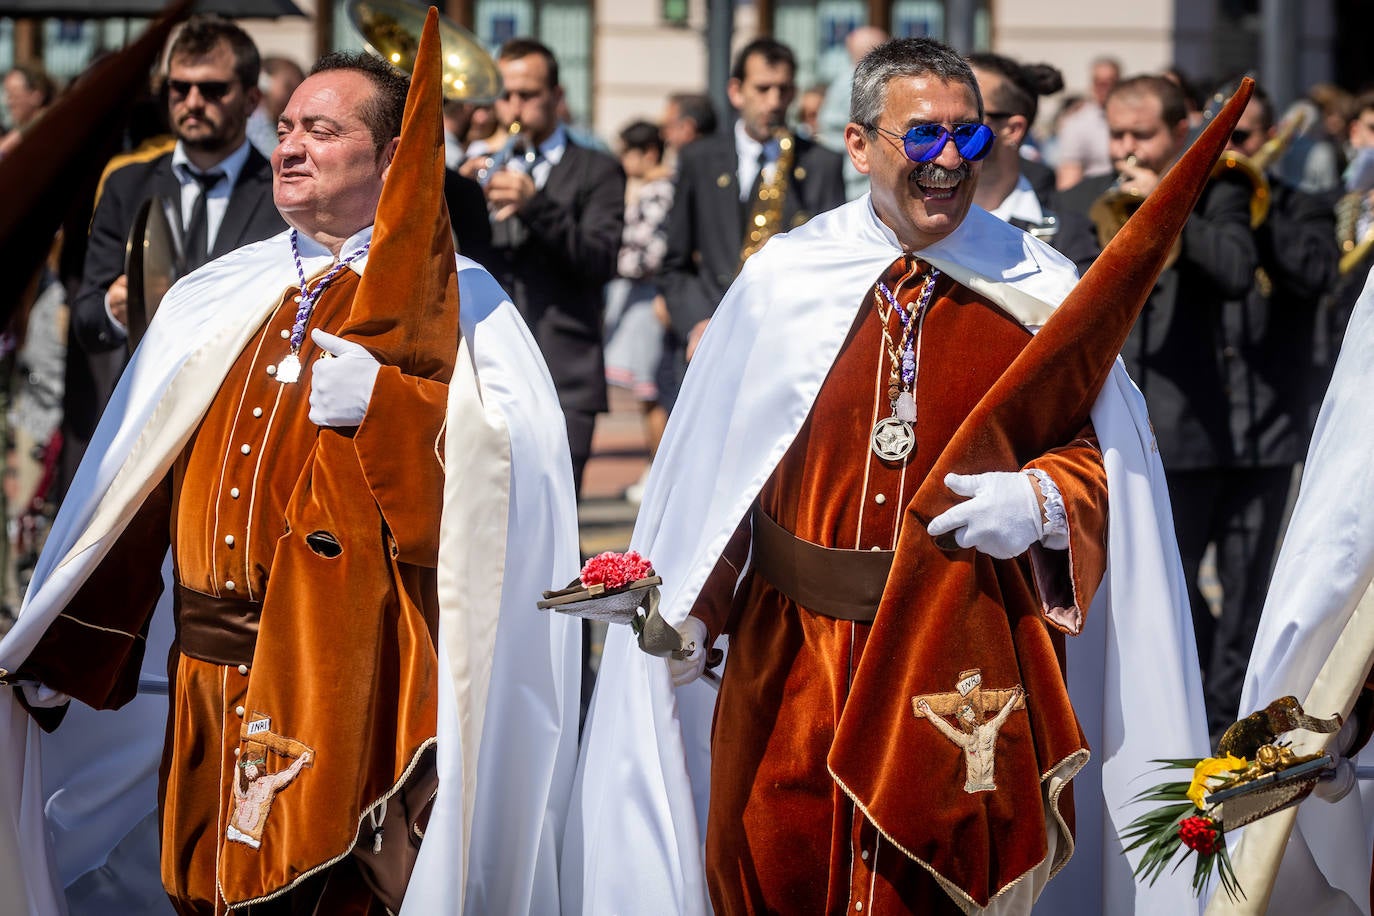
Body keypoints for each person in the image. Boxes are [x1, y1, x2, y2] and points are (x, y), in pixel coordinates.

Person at [566, 37, 1208, 916]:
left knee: (932, 883)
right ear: (860, 145)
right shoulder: (786, 279)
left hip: (959, 650)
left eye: (970, 139)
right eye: (923, 137)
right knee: (775, 864)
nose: (950, 162)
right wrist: (688, 615)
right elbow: (726, 480)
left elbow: (1112, 464)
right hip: (790, 655)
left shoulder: (1039, 286)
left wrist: (1045, 497)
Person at [0, 21, 580, 914]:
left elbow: (516, 481)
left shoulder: (458, 298)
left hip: (334, 669)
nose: (292, 145)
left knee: (318, 885)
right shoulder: (215, 292)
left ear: (392, 156)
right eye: (288, 126)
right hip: (202, 666)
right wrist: (66, 629)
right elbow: (128, 486)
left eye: (324, 130)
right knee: (201, 882)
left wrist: (392, 408)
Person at [1060, 75, 1259, 740]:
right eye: (1116, 134)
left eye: (1141, 136)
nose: (1127, 150)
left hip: (1185, 430)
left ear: (1179, 133)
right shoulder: (1085, 199)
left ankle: (1195, 719)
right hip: (1096, 431)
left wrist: (1171, 211)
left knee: (1172, 586)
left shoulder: (1219, 192)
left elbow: (1237, 271)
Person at [1192, 80, 1339, 737]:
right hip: (1190, 432)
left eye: (1246, 139)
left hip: (1267, 432)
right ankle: (1192, 686)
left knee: (1250, 590)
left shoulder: (1300, 206)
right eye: (1222, 136)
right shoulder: (1184, 207)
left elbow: (1316, 278)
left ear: (1272, 141)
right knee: (1174, 580)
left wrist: (1260, 202)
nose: (1234, 149)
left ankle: (1227, 718)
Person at [462, 38, 625, 494]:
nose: (514, 106)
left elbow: (600, 259)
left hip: (565, 373)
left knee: (553, 520)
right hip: (485, 370)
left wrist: (537, 206)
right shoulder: (479, 167)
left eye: (528, 95)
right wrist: (458, 192)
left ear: (556, 97)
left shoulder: (598, 169)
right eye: (505, 95)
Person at [657, 37, 845, 410]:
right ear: (736, 91)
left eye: (784, 90)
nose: (774, 102)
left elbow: (834, 266)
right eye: (762, 89)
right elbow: (674, 264)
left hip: (788, 354)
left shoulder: (822, 164)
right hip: (709, 343)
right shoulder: (699, 158)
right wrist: (697, 322)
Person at [966, 52, 1097, 273]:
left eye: (969, 116)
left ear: (1013, 130)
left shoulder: (1067, 236)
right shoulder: (922, 220)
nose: (948, 127)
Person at [604, 120, 673, 469]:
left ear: (646, 153)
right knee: (649, 391)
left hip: (649, 297)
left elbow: (646, 252)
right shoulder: (653, 188)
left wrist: (613, 262)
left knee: (651, 392)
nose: (622, 161)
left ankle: (657, 469)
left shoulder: (658, 191)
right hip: (643, 295)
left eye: (626, 153)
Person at [1053, 55, 1118, 190]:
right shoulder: (1077, 123)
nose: (1103, 88)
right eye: (1098, 82)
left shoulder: (1134, 118)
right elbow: (1069, 173)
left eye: (1109, 82)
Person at [245, 55, 305, 157]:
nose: (295, 95)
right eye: (289, 87)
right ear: (264, 84)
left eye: (300, 87)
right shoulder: (253, 126)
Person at [0, 63, 55, 158]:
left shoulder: (45, 128)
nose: (8, 102)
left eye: (13, 95)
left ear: (36, 96)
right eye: (8, 95)